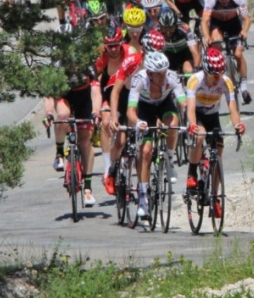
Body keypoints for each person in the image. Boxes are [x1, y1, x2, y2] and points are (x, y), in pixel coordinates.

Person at [184, 48, 245, 218]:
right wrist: (193, 125)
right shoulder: (195, 80)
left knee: (219, 150)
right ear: (205, 71)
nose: (218, 77)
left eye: (220, 73)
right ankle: (192, 172)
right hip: (197, 114)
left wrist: (238, 125)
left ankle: (215, 196)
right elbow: (190, 109)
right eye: (214, 74)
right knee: (200, 135)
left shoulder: (226, 82)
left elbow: (232, 108)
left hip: (212, 115)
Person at [104, 28, 165, 195]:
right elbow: (115, 92)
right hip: (126, 96)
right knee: (120, 141)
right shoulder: (131, 61)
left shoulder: (162, 65)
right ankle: (112, 170)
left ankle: (142, 186)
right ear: (144, 51)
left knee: (141, 148)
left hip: (145, 101)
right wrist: (114, 117)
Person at [126, 51, 186, 218]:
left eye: (164, 72)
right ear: (149, 73)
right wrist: (138, 122)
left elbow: (183, 101)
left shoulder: (171, 77)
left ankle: (170, 159)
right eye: (158, 74)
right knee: (145, 151)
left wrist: (188, 114)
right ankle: (143, 198)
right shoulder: (139, 80)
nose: (162, 77)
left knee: (173, 125)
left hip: (164, 104)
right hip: (145, 109)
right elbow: (130, 110)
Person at [43, 63, 101, 206]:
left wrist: (95, 112)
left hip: (83, 98)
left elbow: (95, 91)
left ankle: (88, 189)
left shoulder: (87, 64)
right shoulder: (57, 64)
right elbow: (49, 93)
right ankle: (59, 153)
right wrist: (49, 113)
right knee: (63, 115)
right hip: (64, 96)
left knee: (84, 141)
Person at [91, 26, 135, 193]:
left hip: (127, 95)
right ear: (105, 46)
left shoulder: (129, 52)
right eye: (110, 46)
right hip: (108, 94)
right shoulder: (101, 56)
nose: (113, 49)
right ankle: (107, 166)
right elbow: (94, 81)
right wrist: (96, 107)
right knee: (106, 123)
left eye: (116, 45)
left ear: (121, 42)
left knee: (125, 138)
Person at [201, 0, 252, 103]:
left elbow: (246, 19)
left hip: (233, 23)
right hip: (217, 24)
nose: (224, 0)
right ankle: (222, 69)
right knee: (216, 42)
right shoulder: (210, 0)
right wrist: (206, 36)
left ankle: (244, 85)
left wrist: (244, 31)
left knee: (238, 54)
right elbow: (205, 21)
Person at [156, 8, 201, 75]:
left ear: (175, 25)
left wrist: (196, 69)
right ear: (160, 26)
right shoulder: (156, 30)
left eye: (171, 27)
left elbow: (195, 53)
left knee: (188, 70)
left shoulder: (184, 28)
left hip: (185, 54)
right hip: (169, 55)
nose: (168, 32)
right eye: (165, 28)